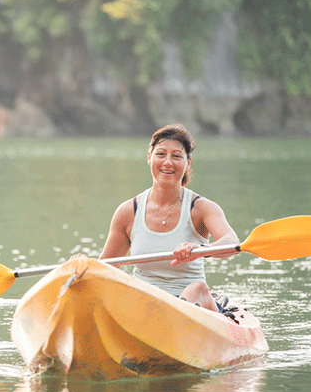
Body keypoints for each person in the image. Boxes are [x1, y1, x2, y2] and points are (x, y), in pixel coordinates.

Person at [94, 124, 239, 312]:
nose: (167, 163)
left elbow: (232, 242)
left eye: (177, 156)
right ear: (149, 158)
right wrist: (82, 266)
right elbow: (106, 267)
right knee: (123, 282)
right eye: (161, 154)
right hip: (144, 303)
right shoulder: (128, 211)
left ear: (188, 163)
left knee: (198, 289)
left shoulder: (202, 208)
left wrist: (201, 249)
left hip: (191, 306)